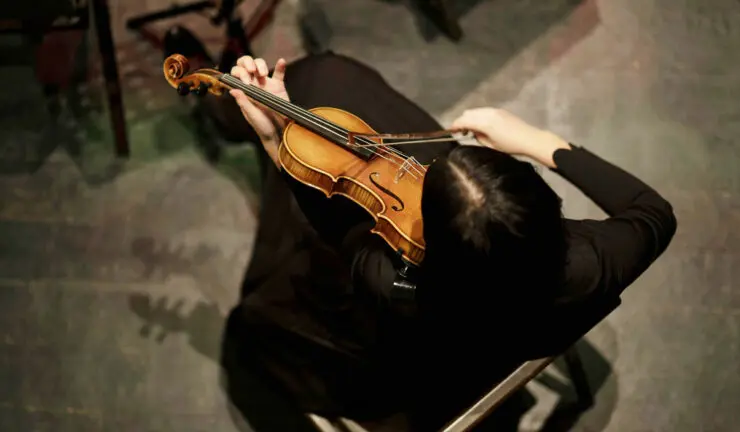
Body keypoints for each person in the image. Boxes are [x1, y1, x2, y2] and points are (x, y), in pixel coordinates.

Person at [221, 52, 677, 430]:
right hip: (490, 341)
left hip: (411, 361)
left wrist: (277, 138)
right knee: (341, 85)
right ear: (545, 207)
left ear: (428, 236)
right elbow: (653, 212)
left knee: (327, 74)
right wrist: (535, 140)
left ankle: (224, 109)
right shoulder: (592, 263)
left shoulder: (394, 286)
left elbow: (334, 224)